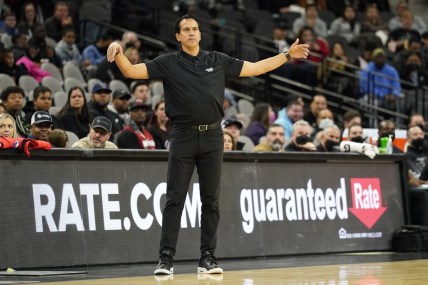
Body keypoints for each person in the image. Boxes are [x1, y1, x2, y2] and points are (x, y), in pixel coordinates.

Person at [107, 13, 309, 275]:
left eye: (195, 29)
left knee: (211, 201)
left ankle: (208, 259)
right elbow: (131, 71)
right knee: (175, 198)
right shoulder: (168, 62)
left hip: (214, 136)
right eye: (186, 29)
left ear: (200, 34)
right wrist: (118, 50)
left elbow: (256, 68)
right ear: (178, 36)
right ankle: (166, 260)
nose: (191, 32)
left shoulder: (217, 60)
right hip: (182, 136)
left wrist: (286, 55)